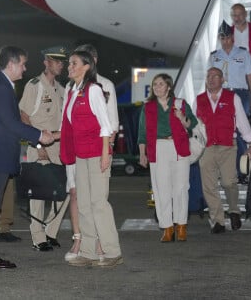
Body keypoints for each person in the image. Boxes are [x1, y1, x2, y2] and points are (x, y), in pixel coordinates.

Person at [0, 45, 54, 270]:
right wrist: (39, 136)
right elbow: (10, 123)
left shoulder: (0, 84)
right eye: (22, 64)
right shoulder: (0, 86)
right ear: (11, 64)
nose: (24, 68)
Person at [60, 50, 123, 268]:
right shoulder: (72, 91)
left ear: (87, 66)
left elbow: (105, 124)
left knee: (98, 203)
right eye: (69, 63)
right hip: (80, 155)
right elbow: (68, 126)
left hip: (97, 153)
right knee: (84, 204)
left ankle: (112, 251)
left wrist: (106, 154)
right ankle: (88, 252)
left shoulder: (94, 90)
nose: (70, 66)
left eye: (74, 63)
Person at [19, 45, 69, 252]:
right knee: (38, 194)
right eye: (56, 61)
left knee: (65, 190)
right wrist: (37, 143)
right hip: (39, 144)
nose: (61, 65)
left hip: (57, 146)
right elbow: (23, 116)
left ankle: (50, 230)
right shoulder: (34, 85)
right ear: (46, 63)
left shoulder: (61, 88)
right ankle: (38, 237)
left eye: (62, 61)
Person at [137, 73, 198, 242]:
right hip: (158, 148)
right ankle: (167, 227)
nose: (157, 87)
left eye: (160, 84)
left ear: (169, 87)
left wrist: (182, 117)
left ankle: (181, 226)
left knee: (181, 188)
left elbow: (191, 124)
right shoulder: (148, 106)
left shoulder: (180, 104)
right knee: (161, 189)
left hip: (179, 148)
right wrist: (142, 153)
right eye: (155, 84)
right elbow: (142, 132)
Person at [194, 68, 251, 233]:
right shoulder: (199, 100)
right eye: (209, 76)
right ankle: (218, 220)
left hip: (228, 146)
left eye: (216, 76)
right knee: (209, 186)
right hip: (206, 148)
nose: (212, 79)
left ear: (223, 80)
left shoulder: (232, 98)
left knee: (229, 182)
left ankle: (234, 210)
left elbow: (242, 121)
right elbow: (193, 126)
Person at [210, 20, 251, 181]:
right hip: (221, 95)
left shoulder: (243, 54)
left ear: (233, 38)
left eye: (227, 38)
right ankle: (230, 169)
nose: (225, 41)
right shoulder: (214, 56)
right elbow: (209, 80)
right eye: (222, 38)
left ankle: (243, 169)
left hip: (240, 93)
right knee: (225, 132)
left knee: (239, 131)